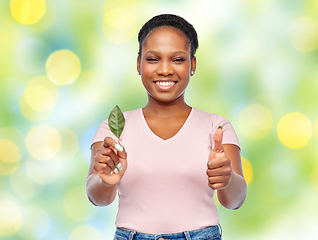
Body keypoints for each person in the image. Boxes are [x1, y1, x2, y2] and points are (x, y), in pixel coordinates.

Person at [86, 14, 247, 240]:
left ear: (192, 65)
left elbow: (235, 201)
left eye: (178, 60)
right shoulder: (114, 129)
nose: (164, 70)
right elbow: (98, 197)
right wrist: (105, 180)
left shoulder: (217, 127)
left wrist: (227, 177)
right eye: (153, 59)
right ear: (138, 64)